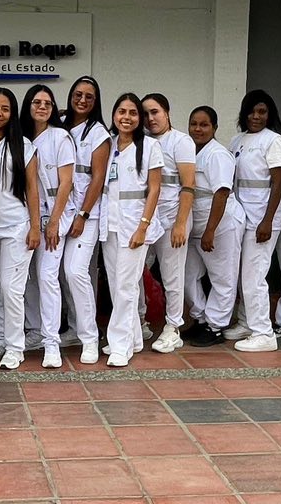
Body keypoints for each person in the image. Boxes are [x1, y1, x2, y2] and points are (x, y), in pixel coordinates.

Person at [98, 93, 166, 367]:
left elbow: (155, 189)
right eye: (122, 111)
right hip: (110, 225)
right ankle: (134, 338)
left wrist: (143, 226)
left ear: (140, 118)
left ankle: (120, 345)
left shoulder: (150, 146)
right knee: (117, 285)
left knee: (126, 286)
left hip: (135, 225)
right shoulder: (109, 144)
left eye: (133, 113)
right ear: (114, 114)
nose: (126, 117)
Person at [0, 87, 40, 370]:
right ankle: (0, 339)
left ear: (12, 114)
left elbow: (32, 189)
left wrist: (35, 227)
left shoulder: (23, 145)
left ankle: (15, 347)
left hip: (16, 227)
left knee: (11, 288)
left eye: (5, 108)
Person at [230, 90, 281, 354]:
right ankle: (246, 322)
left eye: (262, 112)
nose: (256, 116)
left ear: (270, 115)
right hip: (241, 217)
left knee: (254, 276)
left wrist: (267, 220)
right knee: (243, 274)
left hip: (262, 219)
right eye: (252, 111)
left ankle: (264, 332)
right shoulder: (237, 140)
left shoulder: (273, 140)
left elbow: (278, 182)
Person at [22, 84, 76, 368]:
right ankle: (35, 331)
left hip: (55, 214)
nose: (42, 107)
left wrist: (54, 221)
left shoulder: (60, 136)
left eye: (47, 103)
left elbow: (66, 182)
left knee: (47, 276)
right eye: (37, 102)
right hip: (26, 215)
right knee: (29, 277)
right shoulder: (22, 137)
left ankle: (52, 342)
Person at [58, 75, 110, 363]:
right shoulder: (61, 125)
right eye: (78, 94)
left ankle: (90, 337)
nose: (82, 100)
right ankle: (75, 328)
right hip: (60, 211)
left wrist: (83, 214)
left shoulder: (98, 133)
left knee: (76, 271)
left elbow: (98, 178)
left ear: (96, 101)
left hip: (85, 214)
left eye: (89, 96)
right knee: (64, 274)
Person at [141, 94, 197, 354]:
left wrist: (180, 224)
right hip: (147, 217)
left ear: (167, 112)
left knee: (172, 274)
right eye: (146, 114)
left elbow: (188, 184)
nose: (150, 118)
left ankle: (173, 327)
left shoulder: (180, 141)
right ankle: (139, 321)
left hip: (173, 215)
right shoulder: (142, 141)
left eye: (155, 112)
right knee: (137, 271)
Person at [182, 106, 241, 347]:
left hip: (219, 224)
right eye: (194, 124)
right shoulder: (190, 152)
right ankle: (200, 317)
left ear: (214, 128)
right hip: (195, 224)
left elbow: (222, 193)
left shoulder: (217, 154)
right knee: (187, 275)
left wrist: (210, 230)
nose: (198, 129)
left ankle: (216, 326)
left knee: (222, 277)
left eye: (204, 124)